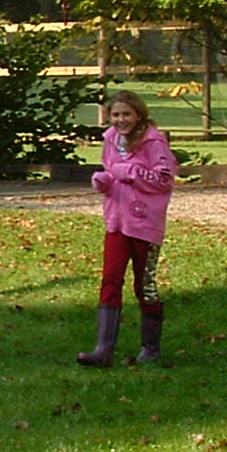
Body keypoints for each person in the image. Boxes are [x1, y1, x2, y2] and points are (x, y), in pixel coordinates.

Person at [77, 90, 177, 367]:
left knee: (144, 285)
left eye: (126, 114)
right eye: (115, 114)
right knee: (110, 279)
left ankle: (151, 348)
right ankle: (103, 349)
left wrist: (130, 173)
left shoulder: (154, 142)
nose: (121, 120)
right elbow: (113, 171)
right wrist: (104, 181)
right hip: (117, 221)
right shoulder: (111, 139)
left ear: (138, 115)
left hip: (145, 224)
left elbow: (164, 180)